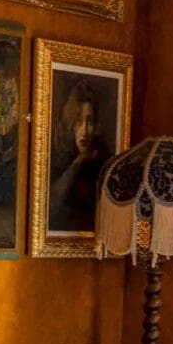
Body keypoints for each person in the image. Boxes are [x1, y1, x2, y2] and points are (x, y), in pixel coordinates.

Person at [46, 84, 110, 234]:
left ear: (96, 125)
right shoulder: (60, 155)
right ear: (71, 124)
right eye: (78, 121)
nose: (84, 131)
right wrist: (78, 161)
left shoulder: (102, 158)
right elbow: (50, 206)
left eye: (89, 122)